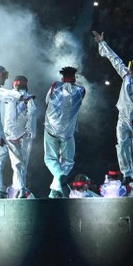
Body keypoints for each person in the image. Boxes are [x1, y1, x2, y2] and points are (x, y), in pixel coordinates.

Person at [94, 31, 133, 193]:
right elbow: (115, 60)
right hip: (123, 118)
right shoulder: (126, 76)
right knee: (121, 145)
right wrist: (102, 43)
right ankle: (127, 174)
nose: (130, 70)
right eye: (130, 67)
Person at [0, 71, 38, 198]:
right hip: (18, 134)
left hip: (15, 134)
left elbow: (32, 113)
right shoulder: (18, 96)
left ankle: (19, 188)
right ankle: (20, 188)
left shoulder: (13, 96)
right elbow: (32, 113)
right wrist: (31, 131)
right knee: (20, 163)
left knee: (18, 163)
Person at [43, 66, 87, 198]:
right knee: (67, 161)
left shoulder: (55, 86)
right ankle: (55, 190)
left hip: (51, 130)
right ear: (75, 78)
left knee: (50, 158)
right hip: (67, 133)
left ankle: (59, 179)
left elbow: (47, 101)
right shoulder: (81, 90)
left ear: (62, 77)